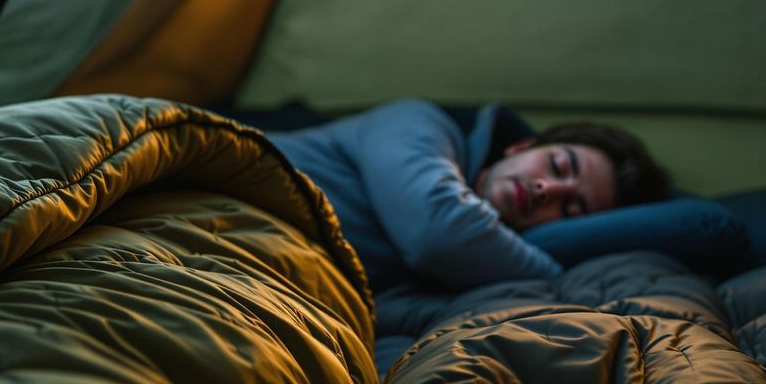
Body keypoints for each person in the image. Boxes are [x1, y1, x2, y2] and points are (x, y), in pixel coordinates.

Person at [265, 98, 668, 294]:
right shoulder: (419, 123)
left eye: (571, 209)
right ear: (521, 146)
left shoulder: (466, 275)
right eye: (558, 166)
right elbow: (436, 230)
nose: (547, 189)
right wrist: (554, 277)